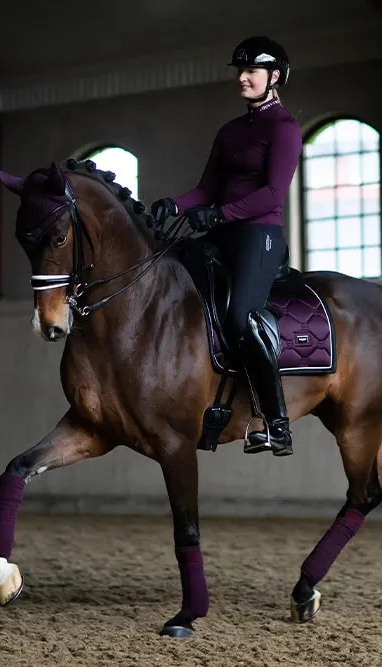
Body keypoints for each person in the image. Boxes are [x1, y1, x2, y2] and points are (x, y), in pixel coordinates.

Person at [150, 36, 301, 458]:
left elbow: (273, 194)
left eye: (251, 71)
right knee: (175, 276)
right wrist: (174, 204)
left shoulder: (284, 127)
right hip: (224, 231)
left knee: (241, 316)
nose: (243, 78)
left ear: (274, 77)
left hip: (259, 235)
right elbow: (207, 188)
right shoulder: (231, 131)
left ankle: (276, 423)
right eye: (240, 71)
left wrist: (219, 214)